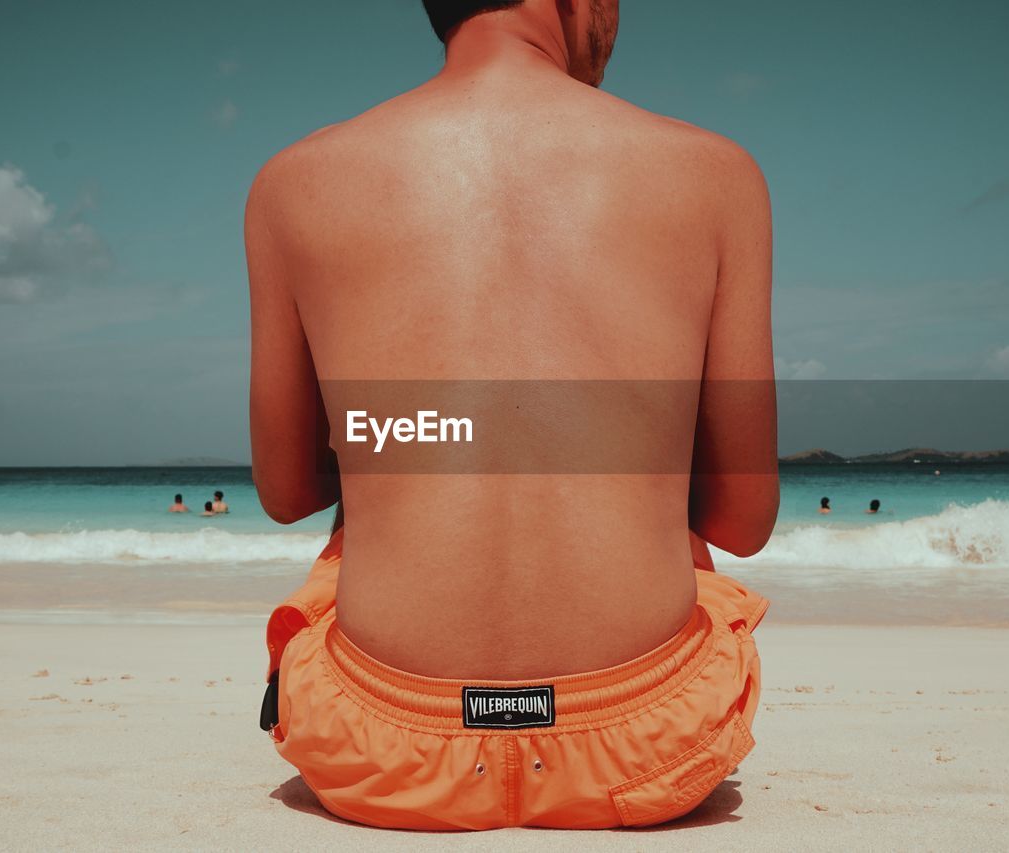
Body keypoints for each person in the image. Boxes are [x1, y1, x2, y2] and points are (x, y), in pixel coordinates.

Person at [249, 0, 776, 830]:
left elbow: (286, 492)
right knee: (685, 539)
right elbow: (742, 520)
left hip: (383, 749)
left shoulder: (293, 181)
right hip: (650, 740)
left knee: (360, 525)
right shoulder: (717, 172)